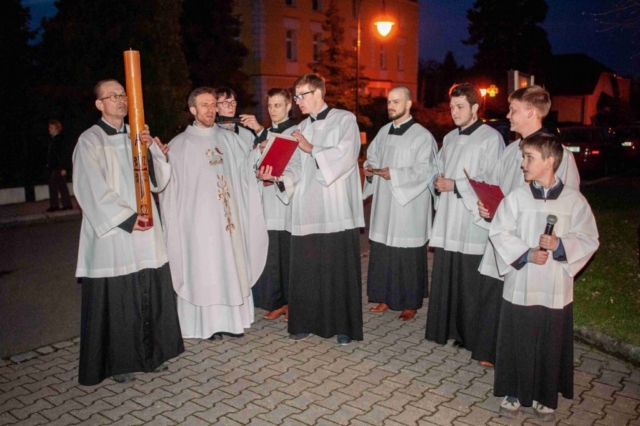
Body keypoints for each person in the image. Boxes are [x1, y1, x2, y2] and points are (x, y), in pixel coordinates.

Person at [73, 79, 184, 386]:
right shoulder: (90, 140)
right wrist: (125, 217)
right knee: (120, 297)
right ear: (99, 104)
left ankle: (152, 355)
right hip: (116, 233)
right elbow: (89, 186)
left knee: (148, 288)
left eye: (123, 94)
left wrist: (153, 150)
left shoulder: (137, 135)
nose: (121, 100)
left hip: (146, 229)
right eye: (113, 96)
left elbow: (158, 181)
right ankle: (120, 361)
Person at [462, 85, 581, 367]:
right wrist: (486, 207)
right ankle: (493, 351)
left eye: (513, 110)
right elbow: (496, 187)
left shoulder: (559, 155)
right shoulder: (510, 150)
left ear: (530, 112)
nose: (508, 115)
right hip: (505, 237)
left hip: (531, 242)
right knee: (495, 292)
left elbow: (568, 202)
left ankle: (519, 358)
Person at [489, 133, 598, 421]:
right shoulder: (516, 198)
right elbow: (499, 232)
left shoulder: (574, 201)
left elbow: (588, 238)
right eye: (523, 157)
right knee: (518, 337)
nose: (522, 163)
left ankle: (545, 396)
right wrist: (526, 254)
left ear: (549, 161)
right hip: (522, 284)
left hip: (554, 286)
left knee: (550, 340)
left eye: (529, 158)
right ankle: (513, 391)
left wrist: (560, 245)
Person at [260, 73, 364, 345]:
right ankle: (305, 322)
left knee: (337, 270)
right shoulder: (301, 127)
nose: (297, 101)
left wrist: (312, 148)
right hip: (305, 209)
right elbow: (295, 166)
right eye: (295, 96)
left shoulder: (344, 120)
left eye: (301, 96)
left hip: (335, 210)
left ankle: (343, 327)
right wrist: (277, 176)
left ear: (318, 93)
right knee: (306, 271)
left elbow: (346, 155)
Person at [160, 87, 268, 340]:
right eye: (204, 105)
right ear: (193, 110)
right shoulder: (179, 145)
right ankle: (206, 326)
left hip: (229, 222)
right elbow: (169, 187)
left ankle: (233, 322)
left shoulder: (229, 139)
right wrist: (158, 160)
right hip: (200, 225)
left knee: (230, 266)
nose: (210, 110)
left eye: (212, 104)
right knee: (205, 270)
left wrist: (260, 151)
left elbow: (245, 169)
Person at [425, 82, 504, 352]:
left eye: (460, 107)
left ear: (475, 107)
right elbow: (438, 168)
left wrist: (456, 185)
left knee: (468, 279)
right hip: (449, 216)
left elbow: (491, 179)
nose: (454, 112)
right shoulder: (449, 138)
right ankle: (448, 328)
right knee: (450, 274)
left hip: (471, 219)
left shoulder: (490, 138)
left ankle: (469, 334)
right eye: (451, 107)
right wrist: (437, 181)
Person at [362, 86, 437, 321]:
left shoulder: (422, 136)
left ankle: (410, 303)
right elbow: (372, 156)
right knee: (384, 251)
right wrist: (370, 169)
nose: (391, 106)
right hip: (384, 202)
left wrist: (394, 173)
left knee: (406, 254)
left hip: (408, 205)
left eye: (396, 101)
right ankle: (385, 297)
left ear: (408, 104)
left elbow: (426, 170)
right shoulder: (383, 132)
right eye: (389, 102)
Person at [250, 88, 299, 321]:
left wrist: (279, 178)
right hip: (267, 203)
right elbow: (252, 164)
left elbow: (299, 167)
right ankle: (277, 302)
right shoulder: (264, 134)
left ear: (289, 106)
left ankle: (293, 304)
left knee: (288, 255)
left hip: (287, 203)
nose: (272, 110)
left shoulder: (297, 132)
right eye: (270, 106)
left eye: (277, 105)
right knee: (272, 255)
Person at [216, 86, 259, 153]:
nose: (230, 106)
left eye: (233, 102)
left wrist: (258, 129)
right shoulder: (210, 133)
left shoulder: (247, 134)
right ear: (216, 108)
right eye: (225, 103)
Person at [46, 119, 73, 212]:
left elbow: (63, 154)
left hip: (58, 166)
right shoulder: (55, 139)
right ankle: (66, 204)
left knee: (54, 184)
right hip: (56, 166)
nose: (49, 129)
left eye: (51, 127)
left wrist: (64, 167)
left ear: (56, 129)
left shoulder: (59, 139)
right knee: (60, 185)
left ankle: (56, 205)